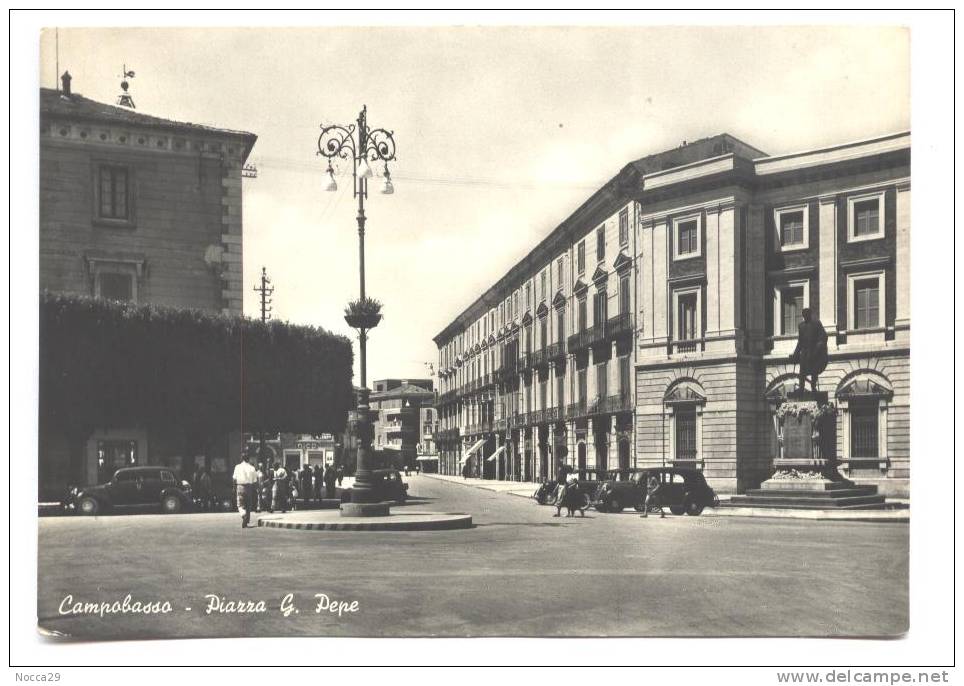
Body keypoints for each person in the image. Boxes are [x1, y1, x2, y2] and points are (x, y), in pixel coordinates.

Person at [789, 308, 828, 393]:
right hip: (804, 351)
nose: (805, 316)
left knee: (814, 371)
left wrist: (819, 347)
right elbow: (800, 341)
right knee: (802, 371)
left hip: (814, 350)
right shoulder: (801, 326)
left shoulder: (816, 324)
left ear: (810, 315)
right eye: (804, 315)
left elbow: (823, 336)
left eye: (807, 314)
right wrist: (795, 353)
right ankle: (801, 388)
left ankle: (813, 387)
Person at [232, 455, 259, 528]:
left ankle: (244, 515)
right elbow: (255, 481)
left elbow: (234, 479)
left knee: (240, 504)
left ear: (241, 459)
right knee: (248, 505)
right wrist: (255, 489)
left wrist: (234, 488)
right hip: (249, 487)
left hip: (240, 486)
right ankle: (247, 521)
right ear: (249, 459)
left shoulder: (237, 467)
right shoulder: (252, 468)